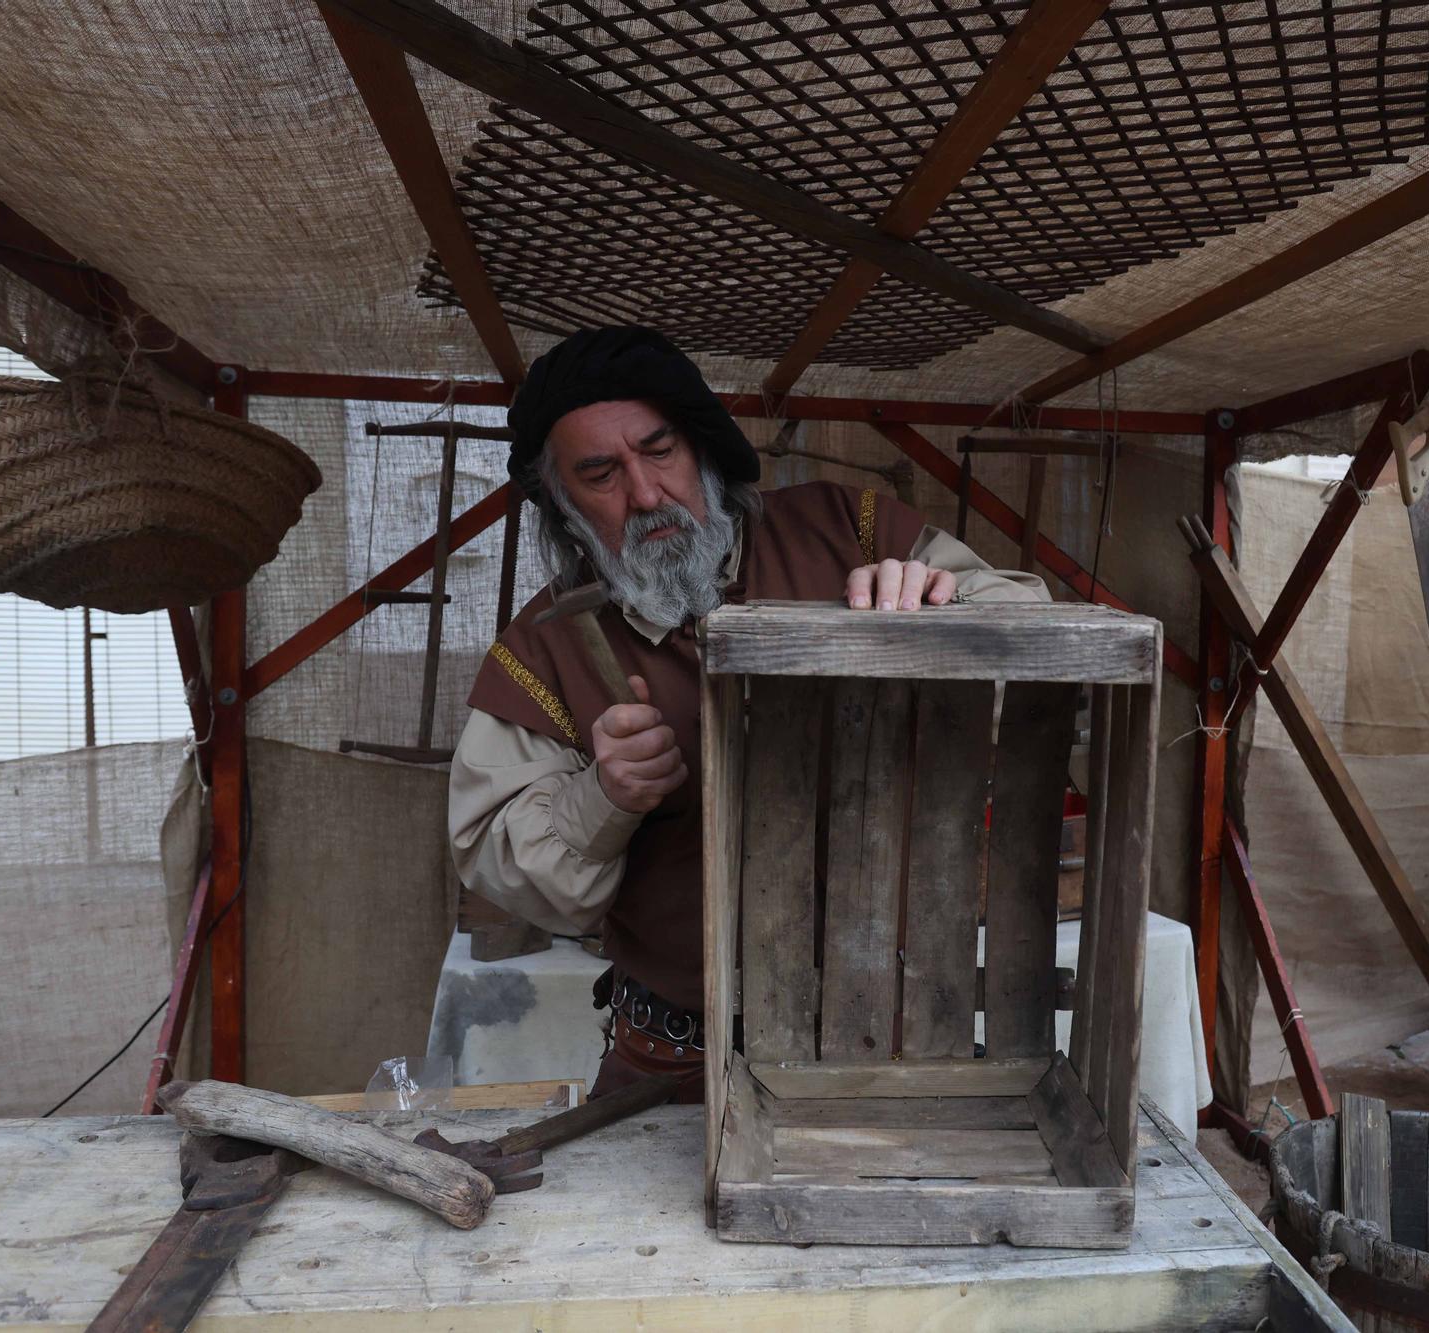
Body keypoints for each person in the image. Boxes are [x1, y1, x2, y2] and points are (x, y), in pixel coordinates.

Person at [448, 326, 1048, 1099]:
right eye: (600, 474)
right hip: (675, 1057)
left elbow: (1033, 632)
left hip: (896, 1034)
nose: (645, 494)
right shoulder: (543, 648)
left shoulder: (846, 527)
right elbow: (502, 856)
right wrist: (606, 795)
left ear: (700, 449)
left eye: (658, 451)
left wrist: (942, 609)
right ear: (564, 509)